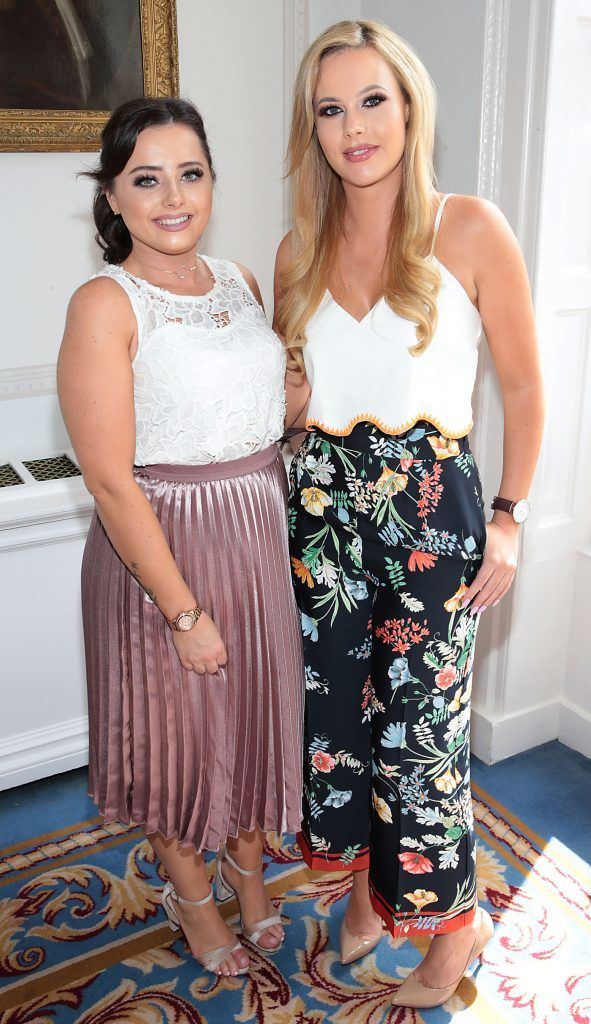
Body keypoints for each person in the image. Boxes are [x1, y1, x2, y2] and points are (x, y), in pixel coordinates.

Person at [274, 20, 544, 1010]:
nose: (354, 126)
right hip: (324, 508)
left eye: (372, 99)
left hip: (433, 512)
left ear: (411, 105)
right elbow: (304, 392)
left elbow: (522, 383)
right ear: (313, 127)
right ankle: (357, 898)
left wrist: (511, 512)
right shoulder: (297, 245)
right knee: (336, 725)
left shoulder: (470, 226)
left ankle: (451, 928)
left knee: (420, 738)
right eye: (331, 108)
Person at [57, 97, 303, 979]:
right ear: (113, 197)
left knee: (247, 722)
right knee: (179, 743)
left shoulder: (238, 279)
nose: (172, 196)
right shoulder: (105, 302)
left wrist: (299, 394)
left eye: (189, 173)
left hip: (255, 531)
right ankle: (192, 899)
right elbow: (112, 480)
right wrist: (182, 610)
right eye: (146, 179)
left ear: (211, 182)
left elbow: (261, 413)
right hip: (163, 550)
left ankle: (246, 869)